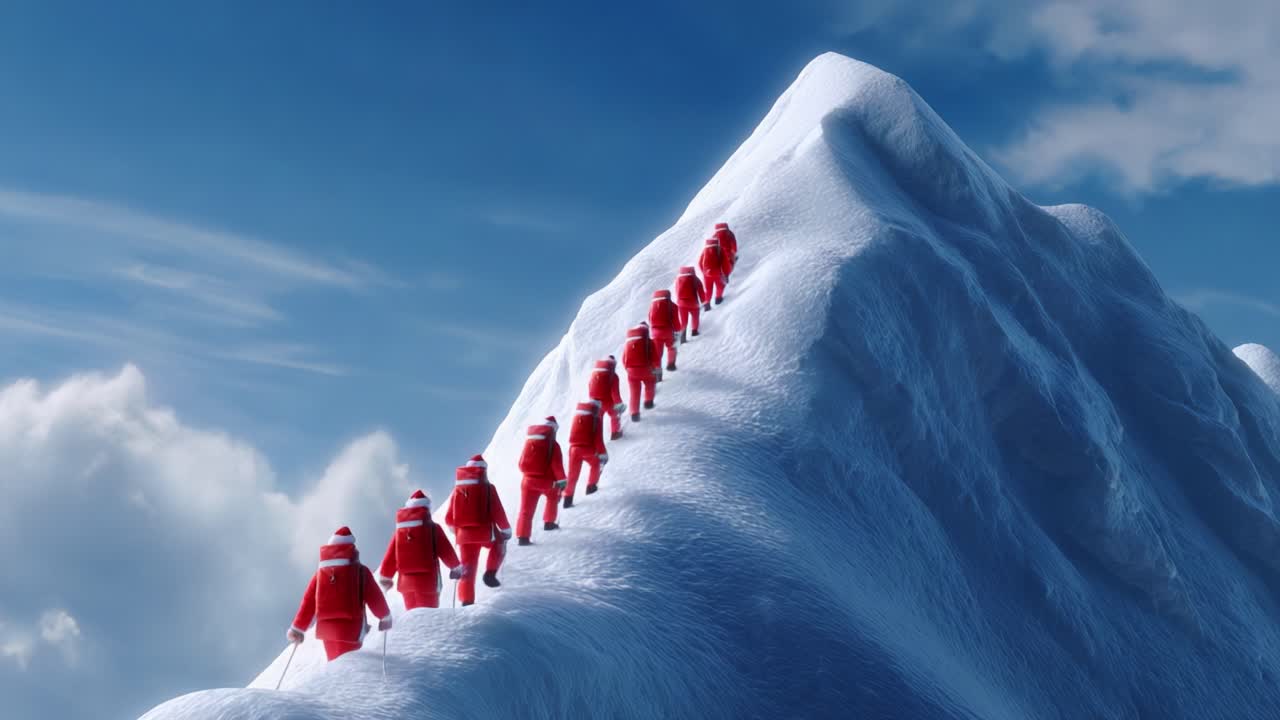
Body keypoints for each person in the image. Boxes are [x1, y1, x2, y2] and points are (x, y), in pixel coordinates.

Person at [287, 526, 392, 662]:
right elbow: (375, 597)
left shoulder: (320, 574)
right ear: (352, 549)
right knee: (351, 666)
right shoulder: (360, 571)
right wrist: (385, 617)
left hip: (327, 631)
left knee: (335, 666)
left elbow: (309, 602)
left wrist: (297, 628)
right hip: (351, 630)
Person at [376, 490, 464, 610]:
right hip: (428, 583)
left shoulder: (400, 531)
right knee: (428, 619)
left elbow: (391, 556)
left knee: (414, 619)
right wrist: (456, 568)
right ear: (427, 509)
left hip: (406, 585)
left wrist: (386, 577)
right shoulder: (433, 528)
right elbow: (446, 551)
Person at [444, 455, 514, 606]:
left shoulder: (458, 489)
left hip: (463, 537)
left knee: (467, 567)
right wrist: (506, 529)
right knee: (499, 544)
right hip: (485, 533)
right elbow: (498, 511)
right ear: (484, 471)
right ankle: (490, 573)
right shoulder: (488, 488)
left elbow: (449, 518)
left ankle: (466, 600)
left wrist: (457, 530)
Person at [515, 417, 567, 545]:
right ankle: (549, 523)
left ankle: (523, 537)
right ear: (553, 430)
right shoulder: (553, 445)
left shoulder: (530, 441)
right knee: (552, 498)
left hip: (527, 481)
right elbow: (557, 465)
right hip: (547, 482)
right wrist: (562, 481)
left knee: (525, 510)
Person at [564, 400, 609, 507]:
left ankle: (567, 499)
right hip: (588, 449)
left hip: (573, 449)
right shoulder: (596, 418)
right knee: (596, 463)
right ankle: (591, 487)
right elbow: (598, 439)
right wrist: (603, 454)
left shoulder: (577, 416)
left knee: (572, 475)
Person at [623, 322, 661, 421]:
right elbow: (656, 358)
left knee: (634, 392)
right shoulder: (650, 342)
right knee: (650, 383)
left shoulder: (628, 342)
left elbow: (624, 359)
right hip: (646, 369)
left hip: (631, 372)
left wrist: (629, 370)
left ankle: (634, 413)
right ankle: (648, 402)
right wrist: (657, 370)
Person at [589, 356, 627, 440]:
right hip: (608, 402)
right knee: (615, 415)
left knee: (598, 421)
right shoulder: (613, 376)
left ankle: (596, 439)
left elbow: (590, 387)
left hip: (595, 402)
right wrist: (619, 405)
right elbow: (615, 393)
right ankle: (615, 433)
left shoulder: (594, 373)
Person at [648, 289, 683, 372]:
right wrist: (678, 331)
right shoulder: (673, 306)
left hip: (656, 333)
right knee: (671, 347)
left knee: (657, 354)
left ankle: (657, 373)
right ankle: (671, 364)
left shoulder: (652, 306)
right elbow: (676, 321)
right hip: (668, 331)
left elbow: (649, 318)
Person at [674, 266, 708, 339]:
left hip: (681, 304)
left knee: (684, 320)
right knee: (695, 317)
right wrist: (704, 302)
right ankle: (694, 331)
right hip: (693, 303)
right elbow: (701, 292)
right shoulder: (695, 279)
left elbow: (677, 291)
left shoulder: (678, 279)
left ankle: (683, 336)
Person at [699, 236, 734, 306]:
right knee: (720, 286)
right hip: (718, 274)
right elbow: (725, 263)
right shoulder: (720, 249)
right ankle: (718, 299)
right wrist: (726, 273)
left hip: (707, 275)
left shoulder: (704, 250)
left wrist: (704, 272)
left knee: (708, 290)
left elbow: (699, 262)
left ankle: (707, 303)